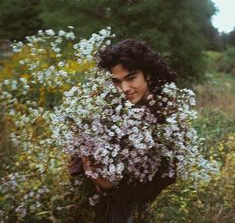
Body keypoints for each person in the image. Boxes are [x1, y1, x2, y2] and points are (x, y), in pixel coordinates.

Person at [69, 39, 177, 223]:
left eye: (131, 78)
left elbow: (167, 177)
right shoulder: (105, 102)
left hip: (135, 207)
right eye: (116, 81)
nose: (124, 89)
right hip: (95, 202)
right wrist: (89, 168)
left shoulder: (167, 116)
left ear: (147, 74)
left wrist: (113, 187)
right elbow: (80, 148)